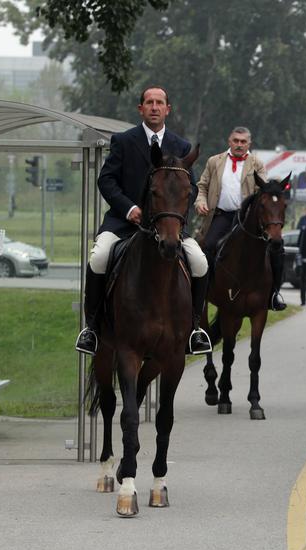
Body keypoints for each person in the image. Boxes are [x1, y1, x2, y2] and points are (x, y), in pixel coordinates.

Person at [75, 86, 211, 355]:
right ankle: (91, 328)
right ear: (141, 108)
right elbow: (107, 180)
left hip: (167, 227)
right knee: (99, 257)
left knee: (200, 262)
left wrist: (175, 214)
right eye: (149, 102)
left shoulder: (181, 146)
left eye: (159, 102)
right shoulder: (124, 141)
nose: (154, 107)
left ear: (167, 109)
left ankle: (194, 329)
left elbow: (192, 188)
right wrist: (129, 208)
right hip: (124, 224)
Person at [193, 126, 285, 311]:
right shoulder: (214, 161)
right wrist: (200, 201)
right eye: (236, 141)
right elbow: (202, 186)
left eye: (243, 142)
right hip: (220, 216)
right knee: (208, 247)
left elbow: (263, 192)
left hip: (246, 219)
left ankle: (273, 294)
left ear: (249, 144)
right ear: (229, 141)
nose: (239, 145)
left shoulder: (256, 164)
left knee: (275, 250)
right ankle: (203, 293)